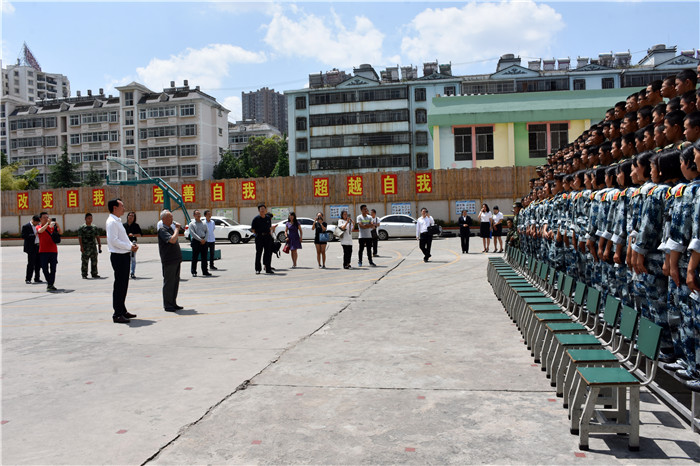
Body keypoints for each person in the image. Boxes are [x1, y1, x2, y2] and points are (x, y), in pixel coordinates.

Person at [106, 199, 138, 324]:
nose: (124, 208)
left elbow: (123, 239)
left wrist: (131, 245)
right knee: (119, 286)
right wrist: (129, 247)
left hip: (124, 255)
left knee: (124, 285)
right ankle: (117, 314)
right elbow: (113, 241)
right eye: (122, 206)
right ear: (115, 208)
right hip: (118, 256)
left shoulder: (117, 221)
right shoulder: (112, 222)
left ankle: (122, 310)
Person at [158, 210, 183, 312]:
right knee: (169, 283)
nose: (172, 219)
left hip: (176, 259)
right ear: (163, 219)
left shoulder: (170, 229)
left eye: (172, 217)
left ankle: (173, 302)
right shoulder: (162, 230)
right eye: (170, 217)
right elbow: (172, 240)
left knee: (175, 282)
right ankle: (168, 304)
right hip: (169, 260)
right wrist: (177, 229)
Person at [36, 212, 60, 292]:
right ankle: (50, 282)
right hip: (43, 251)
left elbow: (60, 232)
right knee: (44, 269)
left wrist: (57, 225)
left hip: (53, 250)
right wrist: (47, 224)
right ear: (40, 219)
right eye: (44, 217)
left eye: (47, 217)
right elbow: (40, 231)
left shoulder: (52, 227)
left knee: (53, 269)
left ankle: (50, 284)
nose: (46, 219)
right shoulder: (38, 226)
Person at [251, 204, 276, 274]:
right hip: (259, 237)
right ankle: (258, 269)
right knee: (259, 253)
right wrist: (258, 234)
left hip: (267, 237)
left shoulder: (268, 218)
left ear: (265, 210)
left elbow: (269, 228)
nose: (262, 210)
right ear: (259, 210)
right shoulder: (256, 219)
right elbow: (253, 229)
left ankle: (268, 268)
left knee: (268, 253)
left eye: (263, 209)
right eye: (261, 209)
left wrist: (272, 229)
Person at [77, 213, 102, 279]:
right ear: (85, 219)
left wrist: (99, 245)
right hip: (85, 247)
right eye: (88, 218)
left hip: (93, 247)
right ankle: (84, 274)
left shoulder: (94, 227)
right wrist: (81, 246)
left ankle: (94, 273)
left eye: (91, 218)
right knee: (85, 261)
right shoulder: (82, 228)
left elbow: (97, 236)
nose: (90, 220)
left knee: (94, 261)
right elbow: (80, 237)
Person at [188, 209, 210, 277]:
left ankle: (205, 271)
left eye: (199, 214)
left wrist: (205, 239)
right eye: (197, 214)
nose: (198, 215)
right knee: (195, 258)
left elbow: (207, 231)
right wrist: (200, 240)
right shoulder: (192, 224)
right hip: (196, 242)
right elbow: (193, 233)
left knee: (204, 257)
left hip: (204, 241)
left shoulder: (204, 223)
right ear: (194, 215)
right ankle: (194, 271)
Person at [22, 214, 42, 284]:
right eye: (36, 222)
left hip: (38, 246)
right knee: (31, 263)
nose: (37, 224)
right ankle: (28, 279)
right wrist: (34, 235)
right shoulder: (26, 226)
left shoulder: (39, 226)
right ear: (33, 220)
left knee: (38, 263)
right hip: (31, 247)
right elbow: (24, 236)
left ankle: (37, 278)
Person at [123, 211, 142, 279]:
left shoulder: (136, 226)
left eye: (132, 216)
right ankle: (125, 273)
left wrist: (133, 235)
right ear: (127, 216)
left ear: (134, 218)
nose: (131, 217)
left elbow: (140, 234)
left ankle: (132, 273)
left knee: (133, 259)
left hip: (133, 243)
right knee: (125, 259)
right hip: (125, 244)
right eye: (130, 215)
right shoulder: (123, 225)